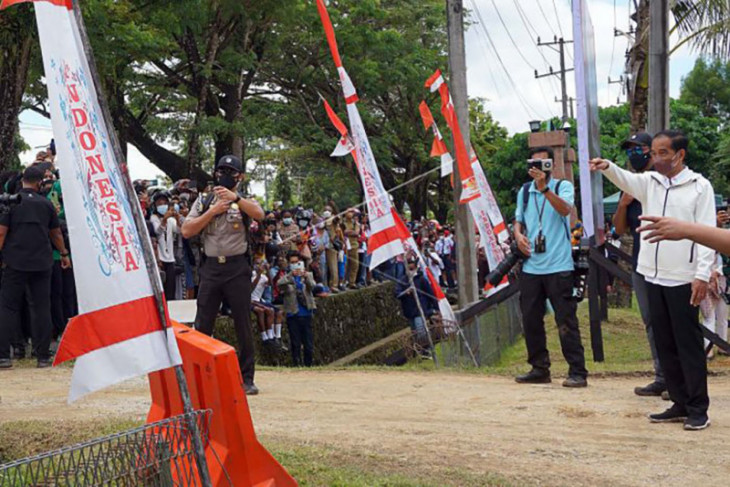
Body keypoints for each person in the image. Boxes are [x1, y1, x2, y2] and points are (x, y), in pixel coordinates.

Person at [591, 130, 716, 431]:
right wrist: (607, 166)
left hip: (683, 278)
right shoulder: (650, 183)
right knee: (664, 342)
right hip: (651, 275)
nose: (656, 158)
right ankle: (679, 402)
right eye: (654, 153)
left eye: (662, 153)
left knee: (687, 344)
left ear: (680, 155)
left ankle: (699, 408)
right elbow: (625, 180)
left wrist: (701, 275)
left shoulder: (700, 187)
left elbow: (707, 234)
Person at [182, 155, 264, 395]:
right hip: (211, 269)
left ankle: (246, 378)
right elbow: (187, 230)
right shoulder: (204, 200)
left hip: (237, 268)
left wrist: (235, 198)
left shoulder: (244, 201)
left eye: (230, 171)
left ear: (240, 177)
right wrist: (214, 210)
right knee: (203, 323)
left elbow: (259, 214)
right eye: (221, 171)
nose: (224, 175)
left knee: (242, 323)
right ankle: (198, 376)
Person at [514, 146, 588, 388]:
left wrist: (544, 187)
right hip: (531, 266)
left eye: (543, 164)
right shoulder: (524, 192)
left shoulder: (561, 186)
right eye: (533, 164)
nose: (538, 169)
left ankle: (577, 370)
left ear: (551, 166)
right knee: (531, 319)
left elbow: (566, 210)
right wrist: (518, 235)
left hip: (558, 265)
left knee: (566, 319)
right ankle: (539, 367)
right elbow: (519, 220)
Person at [611, 132, 666, 397]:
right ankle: (662, 376)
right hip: (642, 263)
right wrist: (623, 204)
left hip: (667, 262)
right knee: (651, 320)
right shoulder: (630, 186)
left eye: (637, 149)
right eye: (629, 149)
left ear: (650, 151)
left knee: (672, 320)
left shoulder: (660, 181)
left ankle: (680, 379)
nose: (633, 154)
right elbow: (620, 229)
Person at [0, 166, 71, 369]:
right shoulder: (46, 204)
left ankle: (4, 356)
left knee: (8, 307)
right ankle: (43, 357)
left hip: (15, 262)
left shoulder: (10, 203)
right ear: (40, 182)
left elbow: (1, 233)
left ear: (23, 181)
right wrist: (64, 254)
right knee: (41, 307)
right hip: (42, 262)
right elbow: (56, 234)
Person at [277, 251, 317, 367]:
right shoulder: (286, 277)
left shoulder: (308, 275)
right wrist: (291, 276)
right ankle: (296, 365)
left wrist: (305, 277)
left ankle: (308, 365)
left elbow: (312, 286)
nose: (295, 264)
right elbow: (279, 284)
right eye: (292, 262)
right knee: (295, 343)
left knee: (308, 343)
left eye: (297, 262)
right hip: (292, 314)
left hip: (306, 313)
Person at [396, 254, 438, 357]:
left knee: (421, 331)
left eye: (412, 265)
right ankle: (419, 351)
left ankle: (426, 350)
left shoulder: (421, 279)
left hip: (420, 310)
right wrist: (406, 292)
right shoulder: (403, 280)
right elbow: (397, 294)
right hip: (409, 311)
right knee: (414, 332)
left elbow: (430, 294)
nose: (410, 268)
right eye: (408, 265)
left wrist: (436, 308)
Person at [150, 191, 182, 300]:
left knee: (171, 287)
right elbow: (158, 231)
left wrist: (177, 218)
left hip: (170, 258)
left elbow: (179, 231)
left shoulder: (171, 219)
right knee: (162, 286)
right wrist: (164, 220)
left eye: (164, 202)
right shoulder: (154, 218)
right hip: (160, 258)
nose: (162, 204)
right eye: (159, 202)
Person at [343, 208, 361, 289]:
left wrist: (348, 232)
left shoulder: (355, 223)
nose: (350, 213)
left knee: (355, 265)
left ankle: (352, 282)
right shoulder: (342, 222)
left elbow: (356, 233)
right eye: (349, 211)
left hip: (354, 246)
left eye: (352, 212)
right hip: (345, 246)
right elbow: (342, 232)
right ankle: (343, 282)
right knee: (345, 265)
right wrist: (351, 232)